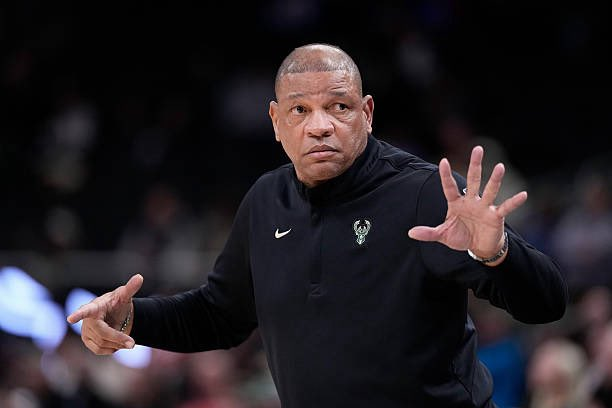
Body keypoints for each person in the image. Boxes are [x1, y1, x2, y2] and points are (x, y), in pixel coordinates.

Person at [67, 43, 568, 407]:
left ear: (367, 113)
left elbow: (546, 303)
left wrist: (497, 252)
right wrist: (129, 319)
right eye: (300, 110)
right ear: (275, 121)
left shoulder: (425, 193)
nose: (320, 125)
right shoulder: (266, 201)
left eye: (338, 107)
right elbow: (220, 314)